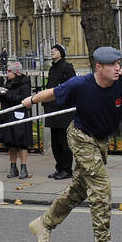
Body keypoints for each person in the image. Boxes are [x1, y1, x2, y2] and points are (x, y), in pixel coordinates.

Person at [25, 46, 122, 242]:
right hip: (80, 137)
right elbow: (53, 93)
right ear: (99, 67)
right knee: (100, 186)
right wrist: (31, 100)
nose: (117, 68)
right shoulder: (81, 84)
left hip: (100, 141)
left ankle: (43, 224)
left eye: (119, 63)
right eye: (112, 65)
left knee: (79, 190)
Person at [43, 44, 76, 179]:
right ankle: (59, 167)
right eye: (51, 50)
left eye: (55, 50)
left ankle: (67, 169)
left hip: (63, 109)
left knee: (64, 141)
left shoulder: (67, 67)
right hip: (52, 108)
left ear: (61, 53)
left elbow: (72, 86)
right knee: (55, 142)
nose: (52, 51)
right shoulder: (52, 68)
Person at [0, 61, 33, 178]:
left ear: (16, 72)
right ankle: (13, 167)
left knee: (22, 143)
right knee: (11, 143)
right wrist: (1, 94)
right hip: (8, 116)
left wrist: (8, 94)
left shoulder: (24, 85)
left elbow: (23, 100)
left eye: (9, 71)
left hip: (19, 116)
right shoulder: (9, 83)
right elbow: (4, 99)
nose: (7, 74)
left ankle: (24, 167)